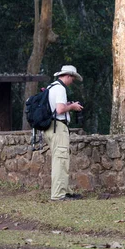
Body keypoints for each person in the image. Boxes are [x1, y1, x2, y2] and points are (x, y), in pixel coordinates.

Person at [46, 65, 84, 201]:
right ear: (68, 76)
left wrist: (67, 105)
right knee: (60, 161)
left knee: (61, 160)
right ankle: (58, 194)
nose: (72, 81)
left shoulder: (51, 87)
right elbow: (60, 109)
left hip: (49, 127)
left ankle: (65, 191)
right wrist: (72, 107)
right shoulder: (61, 88)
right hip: (58, 127)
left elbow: (56, 107)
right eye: (72, 78)